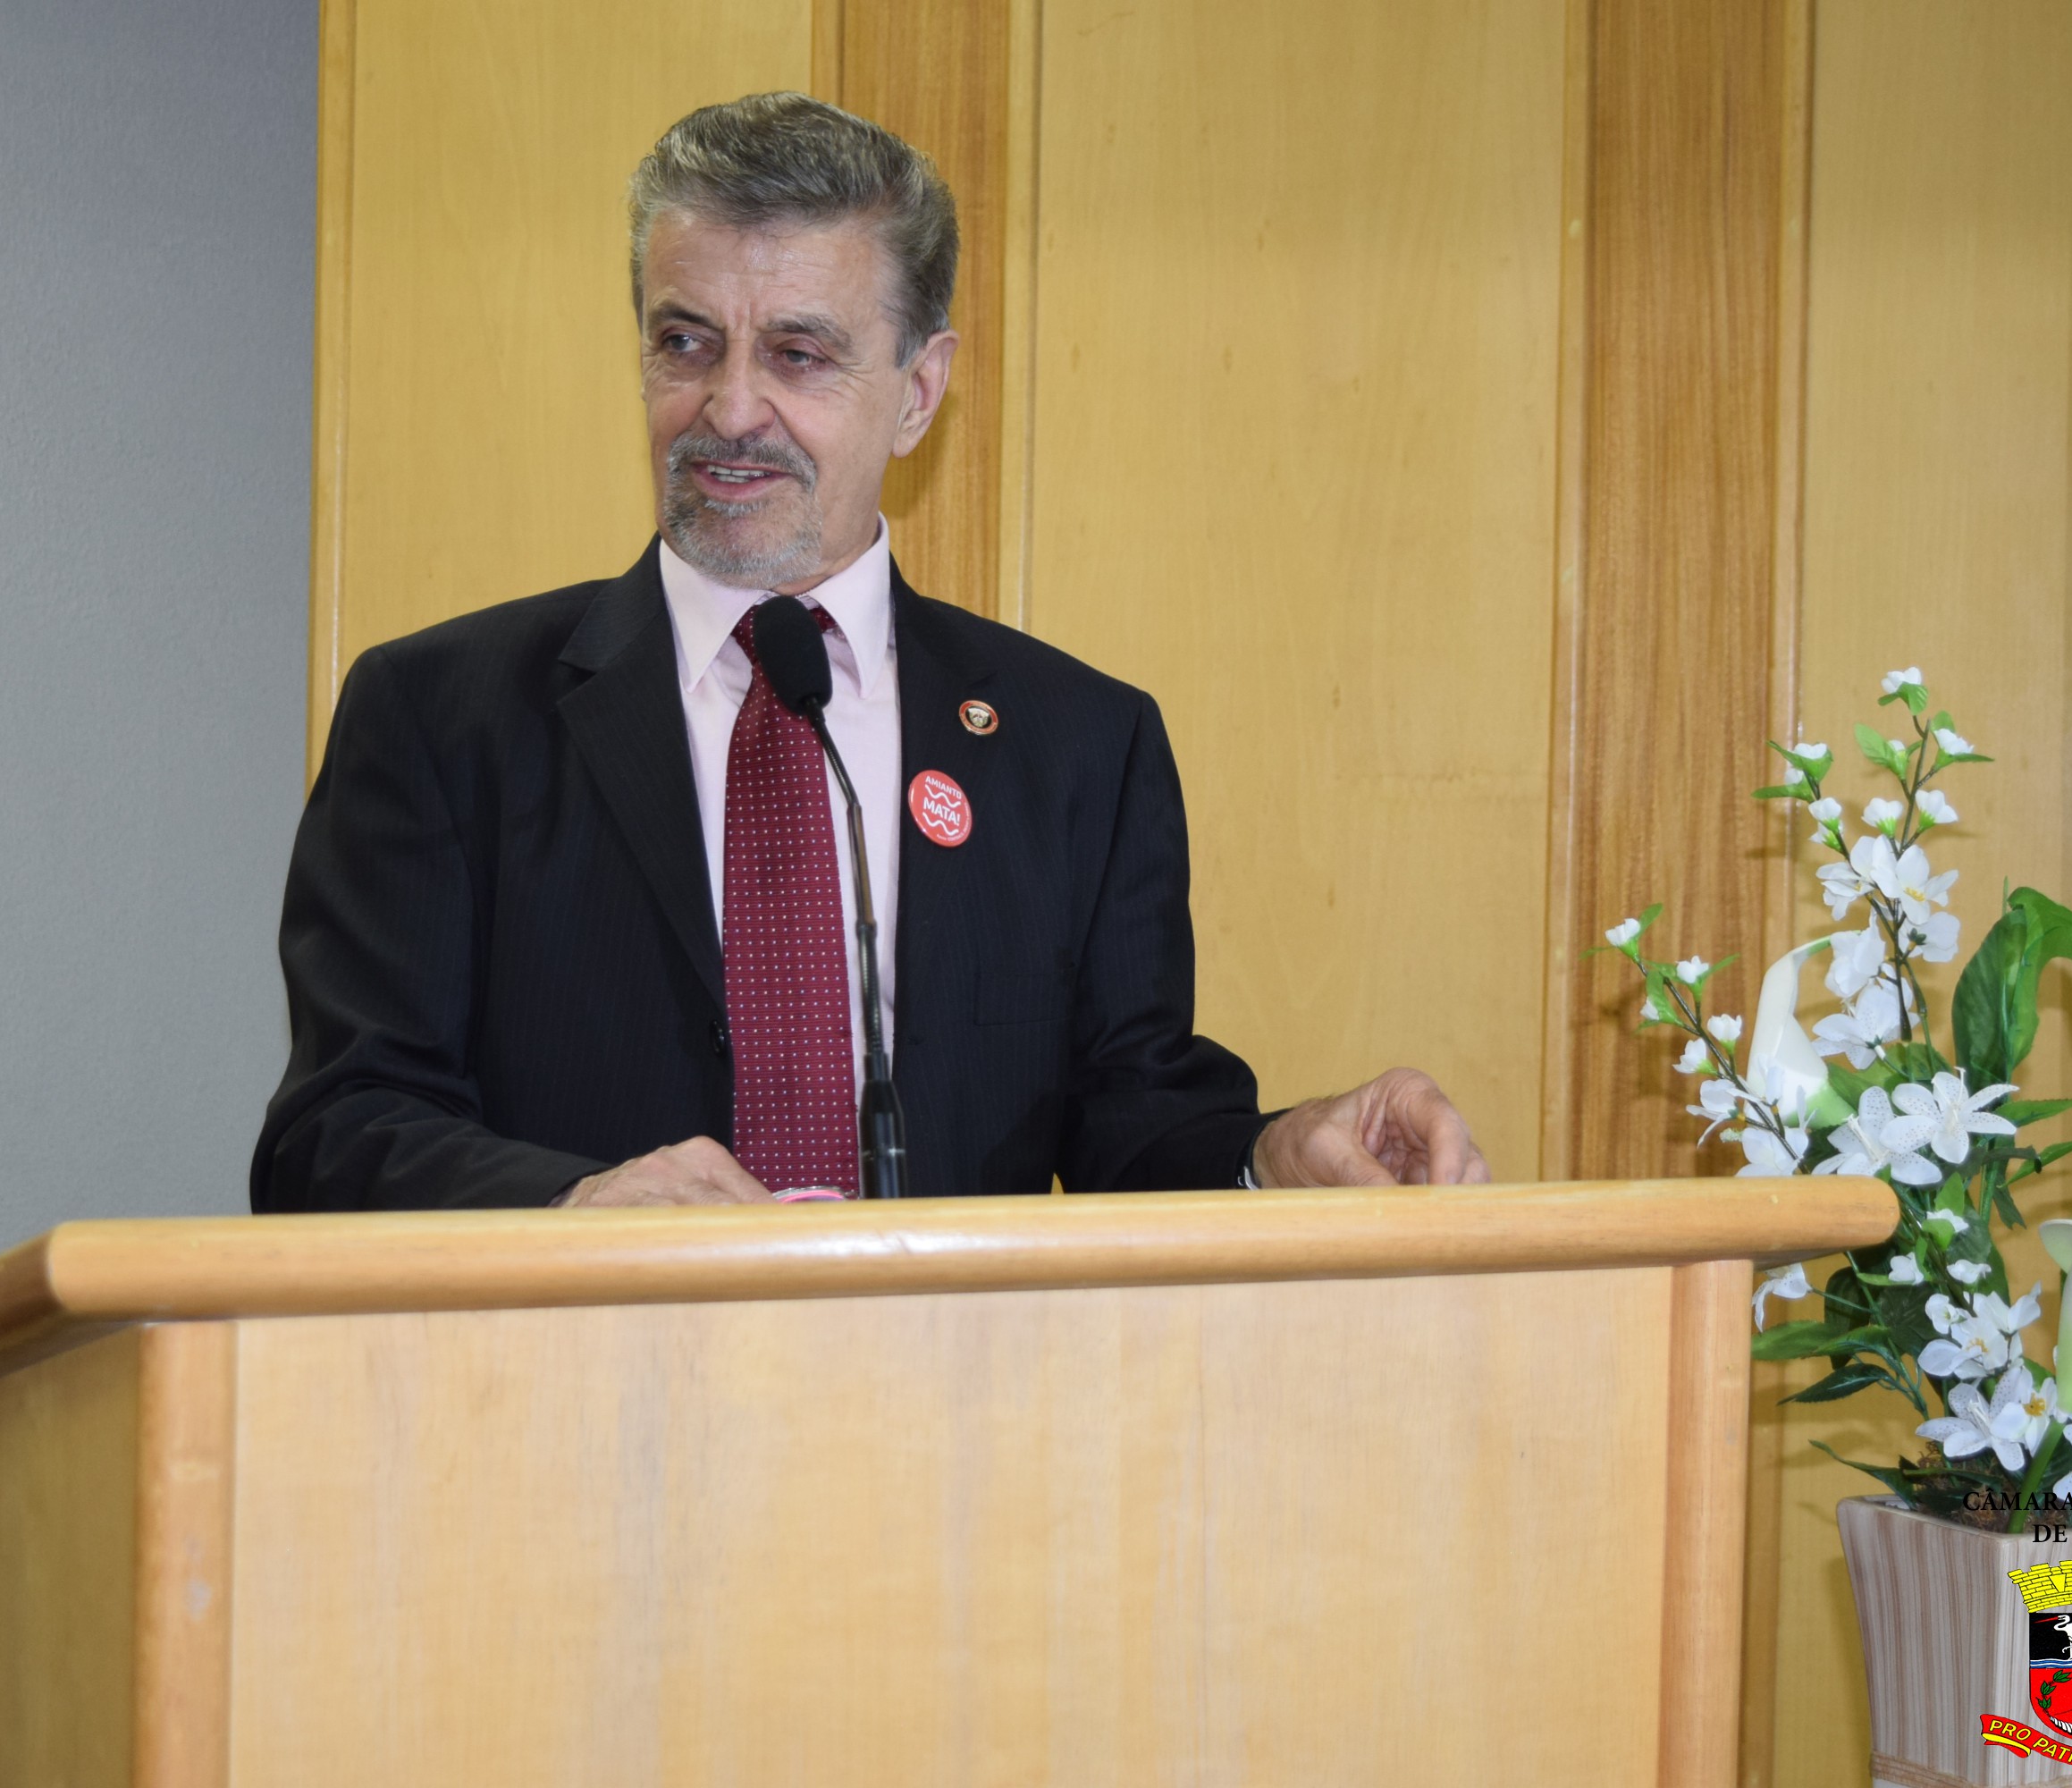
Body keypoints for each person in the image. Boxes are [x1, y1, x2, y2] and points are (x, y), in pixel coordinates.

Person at [254, 93, 1489, 1211]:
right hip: (571, 1418)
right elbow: (334, 1135)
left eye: (798, 353)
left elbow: (1134, 1121)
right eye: (686, 343)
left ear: (917, 390)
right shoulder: (440, 717)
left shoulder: (1077, 748)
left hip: (950, 1426)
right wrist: (578, 1206)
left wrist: (1275, 1151)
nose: (730, 410)